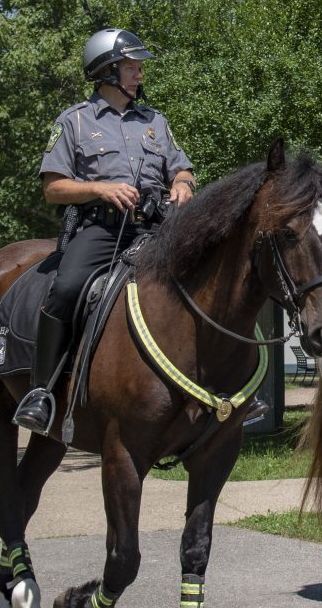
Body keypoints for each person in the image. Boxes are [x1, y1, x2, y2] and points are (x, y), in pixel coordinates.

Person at [13, 28, 196, 435]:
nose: (139, 75)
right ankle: (41, 393)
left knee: (213, 274)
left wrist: (182, 183)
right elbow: (53, 189)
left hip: (157, 225)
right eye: (131, 67)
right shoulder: (74, 122)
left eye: (138, 68)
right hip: (101, 228)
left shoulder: (155, 121)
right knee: (65, 288)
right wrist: (99, 188)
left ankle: (229, 389)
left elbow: (180, 167)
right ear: (106, 71)